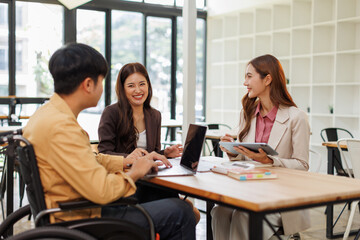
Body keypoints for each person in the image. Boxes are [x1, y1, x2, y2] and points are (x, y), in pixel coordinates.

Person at [23, 43, 196, 240]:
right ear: (88, 84)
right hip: (81, 219)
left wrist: (125, 162)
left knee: (164, 198)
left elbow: (88, 160)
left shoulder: (46, 116)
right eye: (101, 80)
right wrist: (135, 172)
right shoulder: (62, 127)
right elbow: (102, 190)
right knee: (181, 211)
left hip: (71, 210)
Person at [211, 54, 311, 240]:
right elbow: (245, 160)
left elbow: (303, 165)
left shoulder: (297, 117)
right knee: (219, 212)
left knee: (244, 216)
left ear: (267, 79)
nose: (245, 82)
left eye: (249, 76)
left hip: (280, 197)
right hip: (248, 190)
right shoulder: (247, 113)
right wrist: (233, 151)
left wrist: (269, 160)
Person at [97, 62, 200, 223]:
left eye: (142, 84)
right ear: (123, 89)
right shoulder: (111, 113)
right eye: (131, 85)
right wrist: (130, 158)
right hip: (127, 183)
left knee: (190, 211)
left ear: (148, 86)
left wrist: (165, 153)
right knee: (187, 211)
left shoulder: (154, 115)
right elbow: (103, 154)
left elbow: (151, 153)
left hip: (151, 182)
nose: (138, 90)